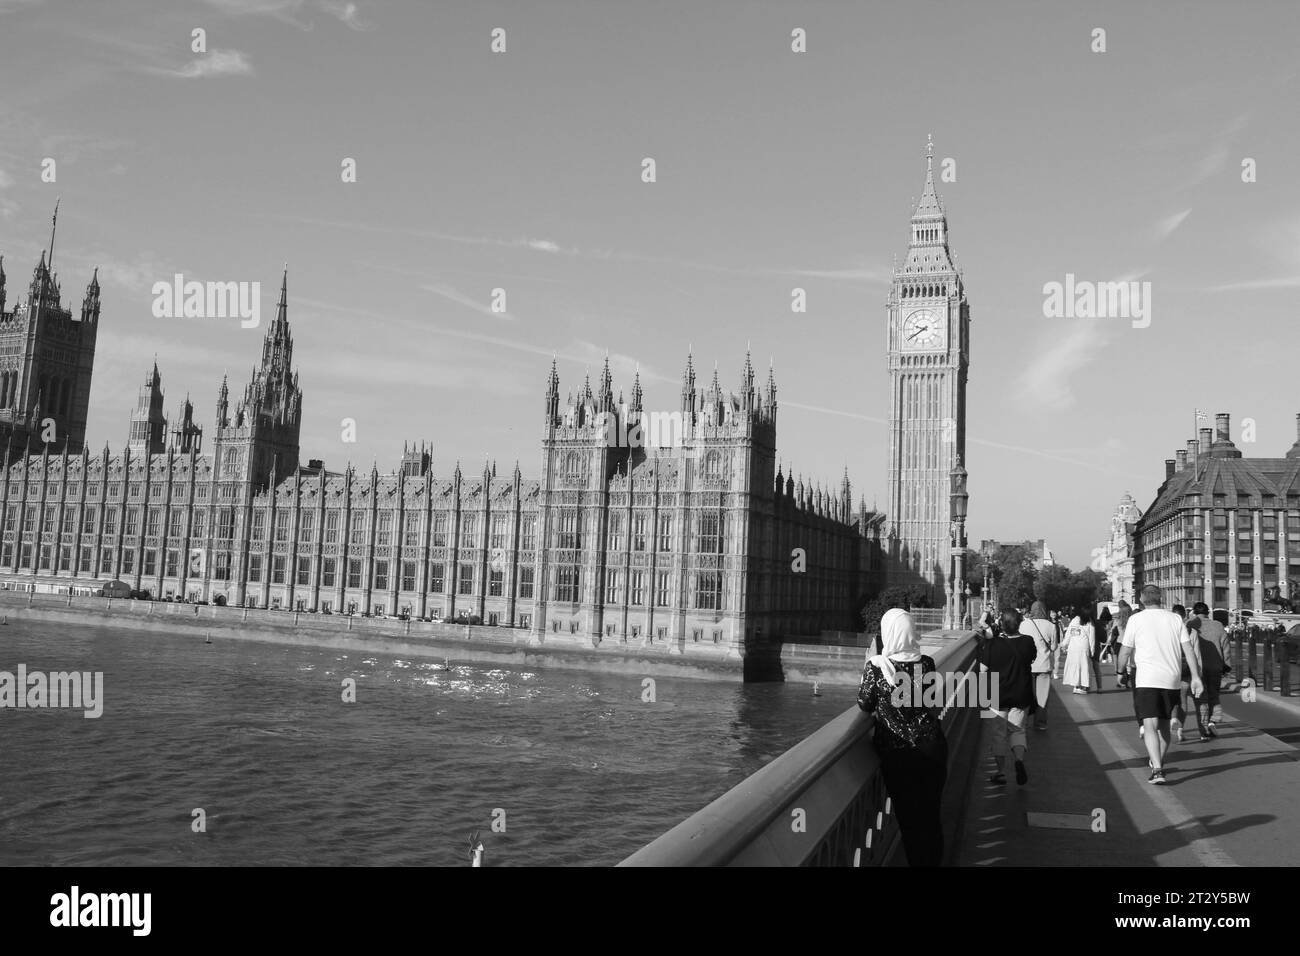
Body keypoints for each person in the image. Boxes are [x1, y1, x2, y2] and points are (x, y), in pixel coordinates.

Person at [857, 608, 948, 866]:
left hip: (899, 754)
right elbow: (929, 700)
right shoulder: (926, 663)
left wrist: (869, 662)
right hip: (932, 747)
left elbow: (864, 703)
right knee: (931, 817)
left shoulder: (877, 668)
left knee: (910, 822)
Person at [1117, 585, 1204, 784]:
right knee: (1164, 724)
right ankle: (1158, 762)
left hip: (1146, 678)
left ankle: (1157, 769)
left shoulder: (1136, 619)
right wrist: (1195, 676)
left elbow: (1125, 650)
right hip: (1171, 679)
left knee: (1150, 724)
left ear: (1141, 599)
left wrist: (1120, 672)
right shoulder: (1175, 619)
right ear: (1161, 598)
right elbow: (1188, 649)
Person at [979, 608, 1037, 786]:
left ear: (1002, 624)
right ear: (1019, 623)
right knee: (1018, 731)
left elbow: (982, 670)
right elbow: (1032, 659)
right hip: (1021, 692)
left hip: (997, 694)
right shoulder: (1028, 641)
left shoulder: (993, 644)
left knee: (999, 734)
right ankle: (1018, 760)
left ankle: (1000, 772)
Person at [1020, 602, 1057, 730]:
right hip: (1044, 665)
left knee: (1026, 694)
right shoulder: (1051, 626)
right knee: (1042, 696)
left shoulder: (1024, 624)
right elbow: (1054, 647)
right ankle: (1040, 723)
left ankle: (1023, 721)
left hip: (1027, 665)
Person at [1061, 606, 1095, 694]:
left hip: (1073, 647)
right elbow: (1092, 638)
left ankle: (1076, 685)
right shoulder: (1090, 622)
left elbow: (1069, 634)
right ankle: (1082, 686)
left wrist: (1064, 644)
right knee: (1084, 667)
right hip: (1084, 647)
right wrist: (1092, 651)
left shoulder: (1074, 620)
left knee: (1075, 667)